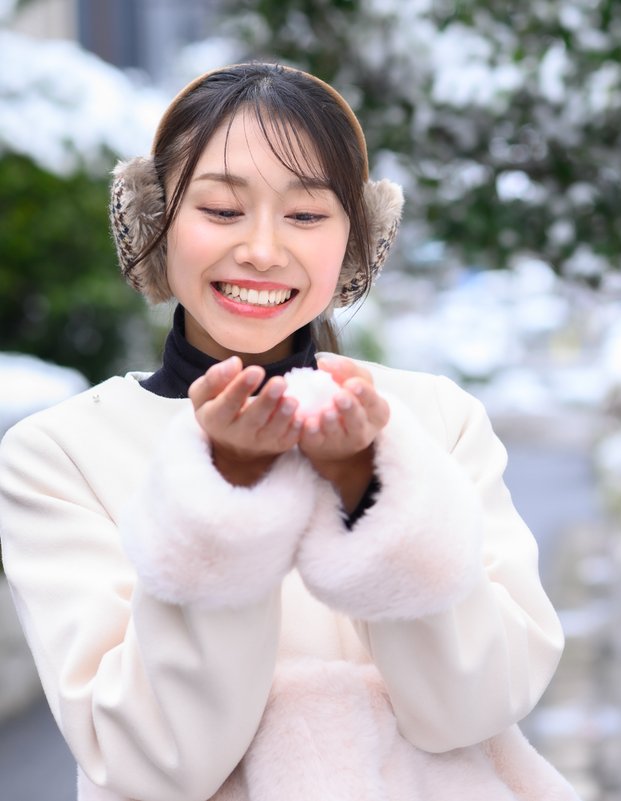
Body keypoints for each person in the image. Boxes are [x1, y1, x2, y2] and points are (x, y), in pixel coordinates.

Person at [0, 62, 577, 801]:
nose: (264, 250)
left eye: (306, 215)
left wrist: (367, 485)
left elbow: (476, 704)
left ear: (355, 237)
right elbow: (149, 760)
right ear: (154, 219)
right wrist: (225, 493)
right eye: (220, 209)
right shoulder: (61, 454)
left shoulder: (430, 418)